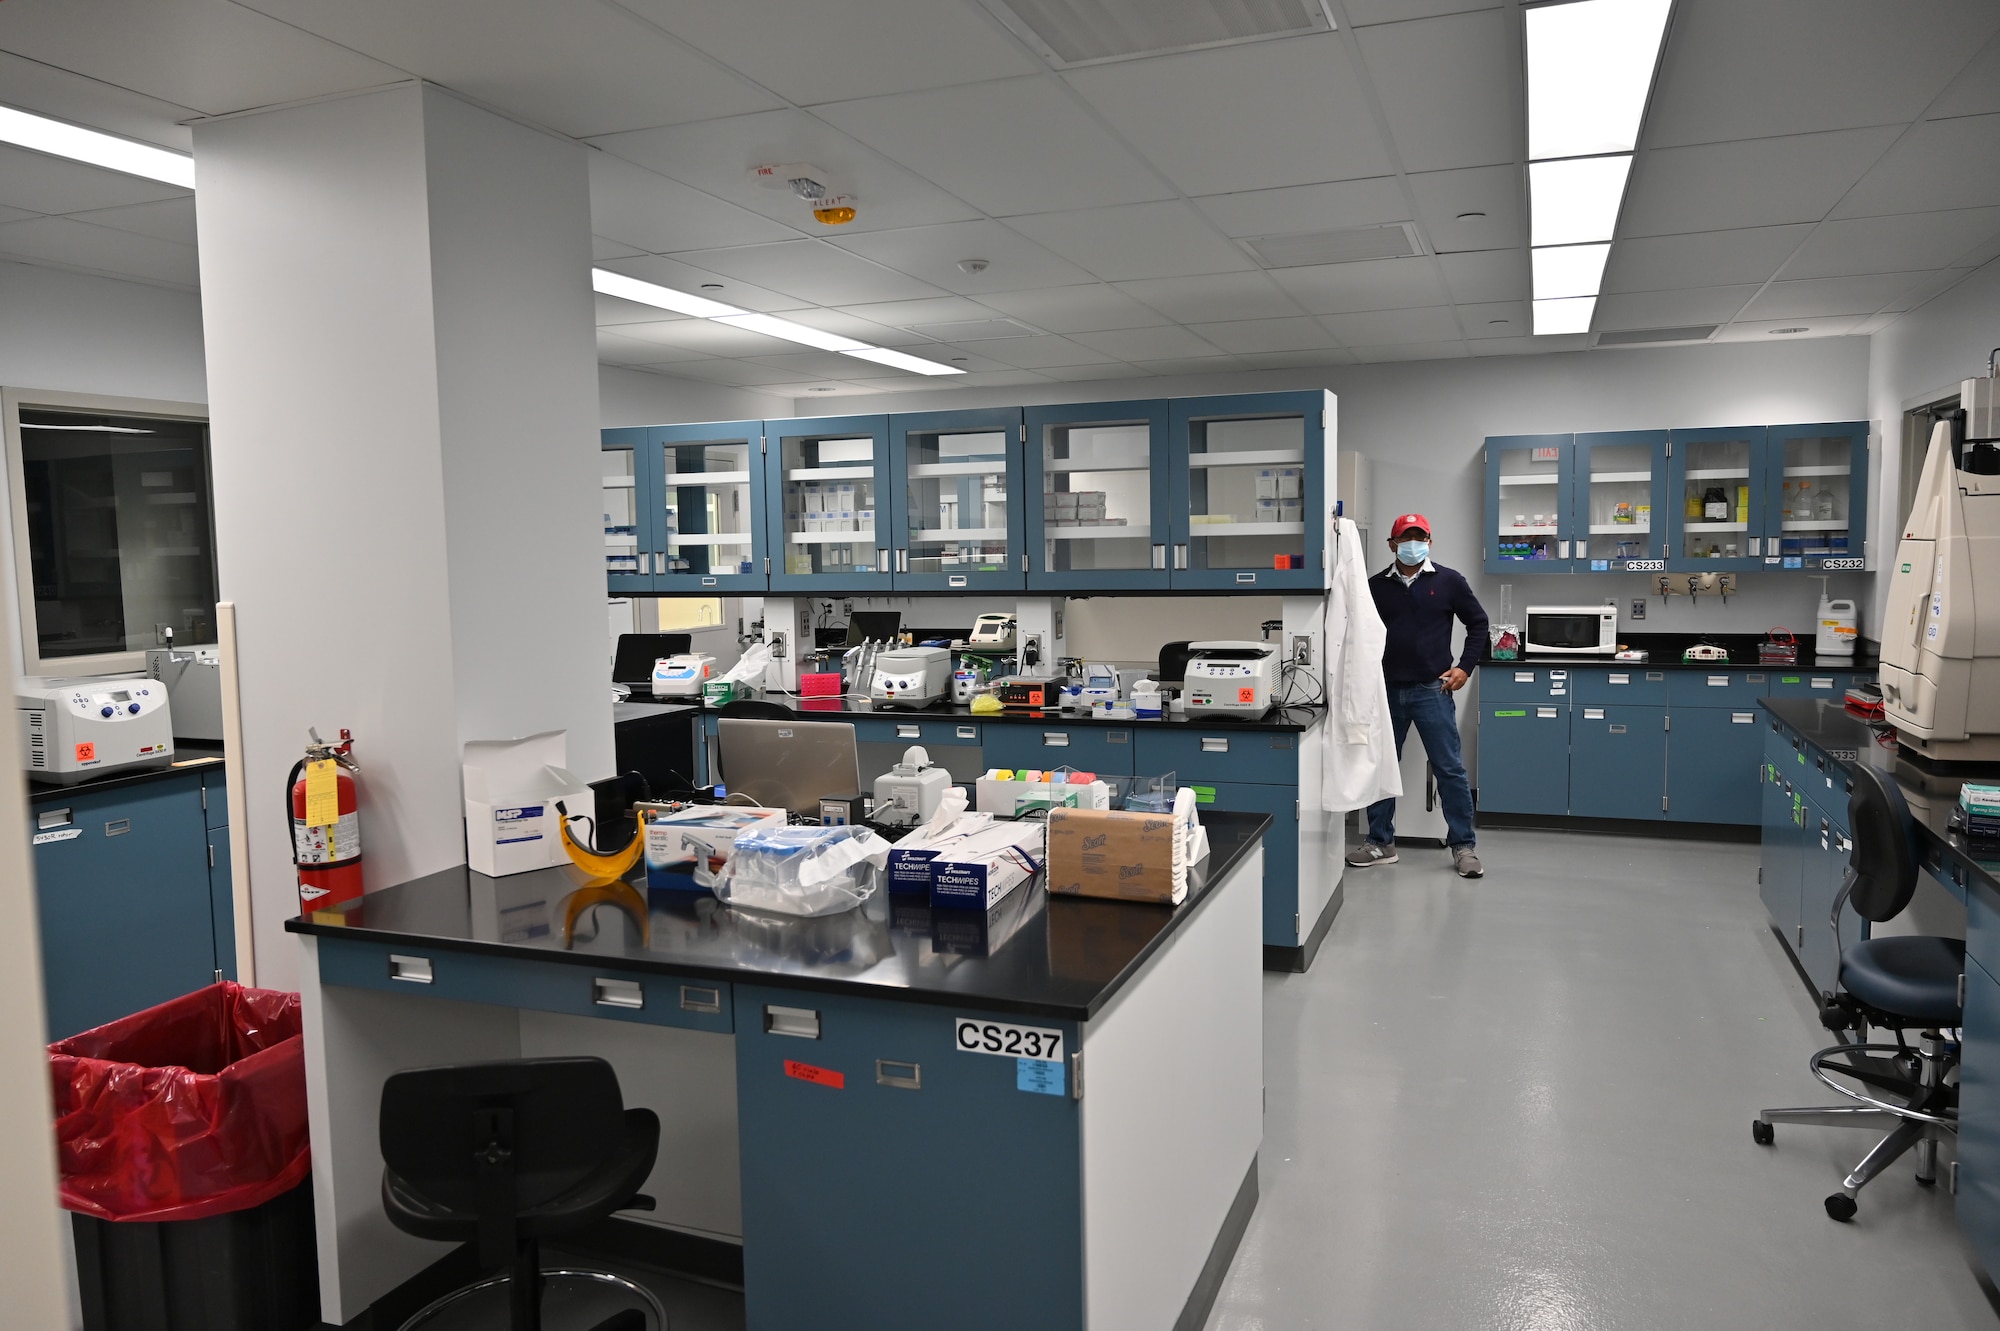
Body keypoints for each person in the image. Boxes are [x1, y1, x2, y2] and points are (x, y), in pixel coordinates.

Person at [1345, 513, 1488, 878]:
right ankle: (1380, 842)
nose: (1413, 544)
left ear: (1429, 541)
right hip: (1385, 690)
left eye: (1419, 537)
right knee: (1379, 767)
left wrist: (1464, 667)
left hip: (1433, 690)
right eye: (1405, 538)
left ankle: (1463, 846)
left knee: (1450, 769)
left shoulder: (1449, 581)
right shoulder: (1374, 586)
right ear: (1392, 545)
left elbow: (1479, 624)